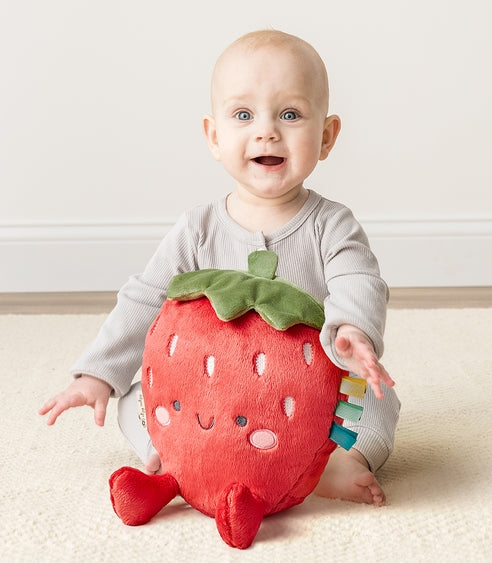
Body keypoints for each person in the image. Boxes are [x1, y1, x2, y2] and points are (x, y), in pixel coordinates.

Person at [39, 30, 400, 506]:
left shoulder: (330, 224)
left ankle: (333, 463)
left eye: (290, 114)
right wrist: (96, 374)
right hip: (210, 395)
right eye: (244, 115)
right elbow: (146, 298)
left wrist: (353, 328)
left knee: (376, 402)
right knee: (134, 403)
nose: (267, 131)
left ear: (327, 136)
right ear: (214, 136)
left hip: (302, 398)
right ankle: (176, 457)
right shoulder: (197, 229)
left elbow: (359, 277)